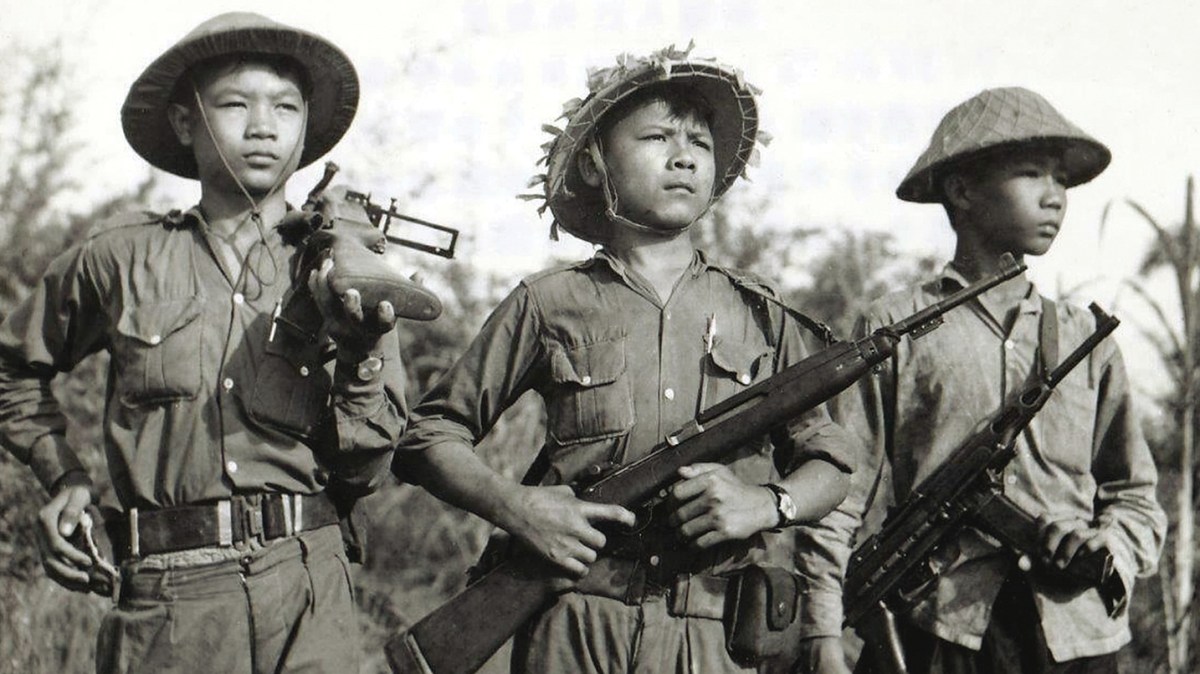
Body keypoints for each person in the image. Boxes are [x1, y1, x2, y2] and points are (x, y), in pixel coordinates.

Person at [393, 45, 856, 673]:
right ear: (594, 161)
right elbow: (429, 433)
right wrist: (517, 506)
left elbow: (829, 460)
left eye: (699, 140)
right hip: (576, 621)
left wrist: (767, 503)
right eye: (657, 135)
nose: (685, 154)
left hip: (714, 632)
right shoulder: (549, 301)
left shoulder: (763, 312)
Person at [0, 12, 409, 673]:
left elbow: (365, 469)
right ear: (187, 124)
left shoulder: (344, 266)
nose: (262, 127)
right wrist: (63, 478)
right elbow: (11, 370)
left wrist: (362, 351)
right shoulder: (120, 258)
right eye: (234, 104)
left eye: (285, 106)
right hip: (170, 597)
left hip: (307, 587)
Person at [805, 87, 1167, 674]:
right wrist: (822, 629)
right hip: (939, 632)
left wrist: (1112, 545)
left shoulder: (1085, 336)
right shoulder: (894, 327)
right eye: (1031, 174)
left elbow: (1133, 493)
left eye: (1061, 181)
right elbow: (838, 489)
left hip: (1076, 637)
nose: (1055, 197)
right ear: (962, 189)